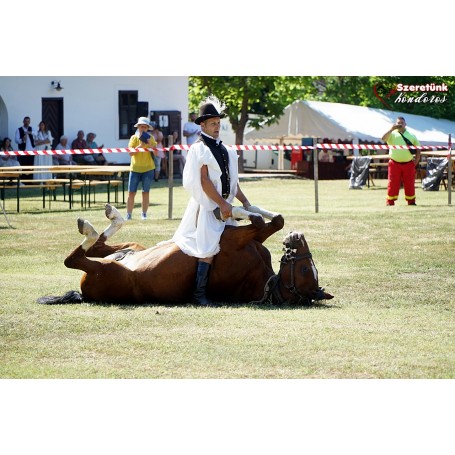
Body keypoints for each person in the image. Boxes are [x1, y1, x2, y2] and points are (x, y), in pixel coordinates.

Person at [170, 96, 252, 306]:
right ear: (203, 125)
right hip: (207, 206)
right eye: (213, 123)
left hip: (226, 206)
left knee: (229, 245)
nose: (217, 127)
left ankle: (226, 289)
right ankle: (199, 295)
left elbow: (233, 182)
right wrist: (221, 204)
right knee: (207, 248)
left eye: (218, 123)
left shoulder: (225, 149)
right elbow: (204, 181)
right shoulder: (199, 149)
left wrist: (244, 201)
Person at [381, 116, 421, 206]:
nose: (400, 124)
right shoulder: (392, 134)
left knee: (410, 183)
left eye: (401, 123)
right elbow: (383, 138)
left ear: (405, 124)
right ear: (395, 124)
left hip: (409, 163)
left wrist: (417, 159)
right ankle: (390, 201)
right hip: (394, 163)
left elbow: (418, 148)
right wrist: (391, 129)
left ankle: (411, 201)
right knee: (392, 183)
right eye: (398, 123)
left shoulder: (411, 135)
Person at [126, 117, 157, 220]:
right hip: (135, 169)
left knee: (146, 192)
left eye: (145, 127)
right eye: (141, 126)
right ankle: (129, 214)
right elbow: (131, 153)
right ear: (138, 127)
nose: (143, 128)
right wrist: (140, 145)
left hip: (148, 169)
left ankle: (144, 214)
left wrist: (150, 145)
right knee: (131, 192)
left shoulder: (151, 137)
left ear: (147, 128)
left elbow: (157, 153)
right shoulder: (133, 138)